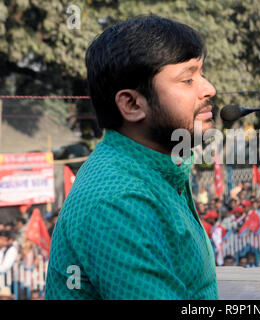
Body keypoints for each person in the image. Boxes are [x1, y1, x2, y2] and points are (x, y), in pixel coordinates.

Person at [46, 16, 218, 300]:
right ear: (132, 104)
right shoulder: (118, 201)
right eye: (188, 79)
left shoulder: (156, 169)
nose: (208, 88)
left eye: (201, 74)